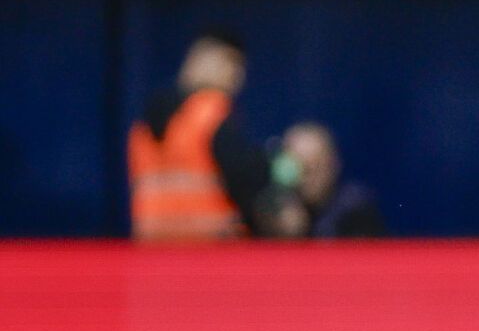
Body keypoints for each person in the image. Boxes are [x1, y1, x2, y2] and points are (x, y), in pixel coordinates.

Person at [128, 31, 274, 241]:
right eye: (231, 63)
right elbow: (247, 180)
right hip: (211, 253)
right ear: (198, 61)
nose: (237, 75)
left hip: (153, 250)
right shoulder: (211, 114)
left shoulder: (143, 125)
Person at [275, 122, 387, 238]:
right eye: (301, 168)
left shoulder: (355, 210)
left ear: (334, 164)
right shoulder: (274, 208)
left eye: (316, 165)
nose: (308, 177)